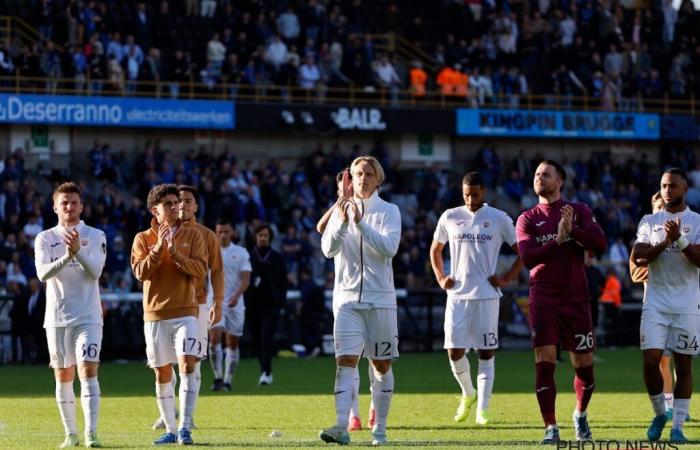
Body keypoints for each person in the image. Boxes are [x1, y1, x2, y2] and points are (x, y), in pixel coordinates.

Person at [516, 160, 607, 444]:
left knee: (585, 365)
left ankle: (580, 415)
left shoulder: (578, 211)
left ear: (560, 182)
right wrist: (557, 241)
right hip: (543, 297)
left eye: (546, 174)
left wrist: (573, 232)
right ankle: (550, 428)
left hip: (576, 297)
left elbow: (600, 245)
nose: (540, 178)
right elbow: (527, 258)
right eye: (537, 174)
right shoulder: (527, 219)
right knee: (545, 360)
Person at [319, 156, 401, 446]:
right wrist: (342, 222)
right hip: (346, 301)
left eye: (368, 173)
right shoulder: (340, 211)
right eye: (357, 174)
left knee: (381, 366)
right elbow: (327, 250)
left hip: (380, 302)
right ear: (350, 179)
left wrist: (361, 223)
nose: (362, 178)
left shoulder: (390, 211)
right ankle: (342, 426)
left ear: (378, 179)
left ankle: (380, 430)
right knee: (345, 363)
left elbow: (389, 249)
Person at [430, 171, 522, 426]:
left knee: (486, 352)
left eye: (475, 194)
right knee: (453, 351)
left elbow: (522, 252)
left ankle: (482, 409)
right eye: (466, 195)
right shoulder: (450, 216)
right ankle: (468, 393)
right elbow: (435, 248)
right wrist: (440, 276)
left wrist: (506, 279)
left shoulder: (499, 218)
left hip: (486, 295)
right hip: (457, 295)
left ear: (484, 192)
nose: (470, 199)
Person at [131, 184, 208, 445]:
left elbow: (200, 270)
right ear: (155, 210)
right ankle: (170, 429)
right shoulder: (142, 238)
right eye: (168, 204)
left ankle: (186, 427)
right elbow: (140, 273)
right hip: (155, 315)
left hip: (186, 311)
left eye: (176, 202)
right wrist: (159, 249)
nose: (176, 207)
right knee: (162, 373)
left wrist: (175, 253)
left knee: (188, 365)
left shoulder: (194, 235)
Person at [34, 182, 107, 448]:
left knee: (88, 371)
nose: (69, 206)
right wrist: (67, 256)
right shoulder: (45, 238)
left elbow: (96, 272)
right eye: (64, 202)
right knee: (63, 376)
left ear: (81, 206)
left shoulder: (96, 234)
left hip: (88, 316)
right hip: (57, 319)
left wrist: (79, 252)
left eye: (74, 202)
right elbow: (42, 274)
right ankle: (71, 434)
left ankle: (91, 433)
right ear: (55, 207)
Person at [630, 168, 700, 443]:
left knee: (684, 366)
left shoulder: (696, 221)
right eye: (663, 185)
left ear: (685, 188)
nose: (667, 190)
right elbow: (638, 255)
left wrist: (680, 240)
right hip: (655, 303)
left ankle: (678, 427)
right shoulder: (650, 220)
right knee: (650, 361)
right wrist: (665, 242)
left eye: (673, 185)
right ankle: (660, 413)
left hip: (687, 305)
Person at [316, 169, 376, 433]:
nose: (348, 189)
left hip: (373, 293)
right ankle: (353, 415)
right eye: (342, 186)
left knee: (375, 358)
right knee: (349, 358)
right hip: (344, 295)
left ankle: (375, 406)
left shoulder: (372, 209)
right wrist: (340, 201)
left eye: (349, 185)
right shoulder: (339, 208)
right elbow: (321, 228)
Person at [629, 191, 686, 421]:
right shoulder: (647, 237)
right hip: (654, 304)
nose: (662, 210)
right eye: (658, 206)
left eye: (664, 205)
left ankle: (676, 406)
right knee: (659, 359)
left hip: (680, 304)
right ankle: (666, 405)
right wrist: (658, 265)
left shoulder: (682, 232)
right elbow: (635, 271)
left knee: (677, 358)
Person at [210, 218, 251, 391]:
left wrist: (237, 295)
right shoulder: (210, 251)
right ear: (216, 232)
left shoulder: (241, 252)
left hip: (235, 302)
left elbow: (246, 279)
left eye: (226, 231)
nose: (223, 235)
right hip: (214, 302)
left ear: (232, 232)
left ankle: (228, 380)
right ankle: (218, 377)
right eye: (220, 232)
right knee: (214, 339)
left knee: (233, 343)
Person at [245, 223, 287, 385]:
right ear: (255, 237)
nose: (262, 238)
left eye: (265, 236)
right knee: (257, 340)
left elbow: (283, 282)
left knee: (266, 338)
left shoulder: (277, 258)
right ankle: (263, 368)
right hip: (253, 306)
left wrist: (280, 302)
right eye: (260, 235)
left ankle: (266, 372)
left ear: (270, 238)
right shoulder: (249, 257)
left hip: (271, 306)